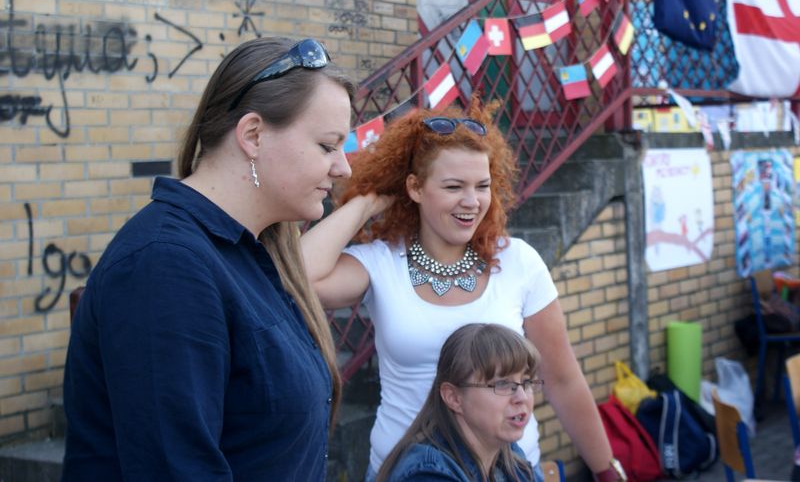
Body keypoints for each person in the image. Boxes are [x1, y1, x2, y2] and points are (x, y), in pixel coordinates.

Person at [61, 36, 354, 481]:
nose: (343, 167)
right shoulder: (167, 266)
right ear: (253, 135)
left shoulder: (247, 250)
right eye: (328, 146)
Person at [301, 98, 625, 482]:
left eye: (482, 186)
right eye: (454, 186)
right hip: (408, 473)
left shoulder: (519, 261)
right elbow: (299, 277)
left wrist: (606, 469)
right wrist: (369, 201)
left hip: (510, 471)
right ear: (415, 188)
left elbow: (563, 378)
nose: (472, 202)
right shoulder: (381, 262)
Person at [377, 323, 541, 482]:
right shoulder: (428, 474)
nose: (522, 397)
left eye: (527, 382)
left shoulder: (508, 453)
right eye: (502, 384)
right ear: (454, 398)